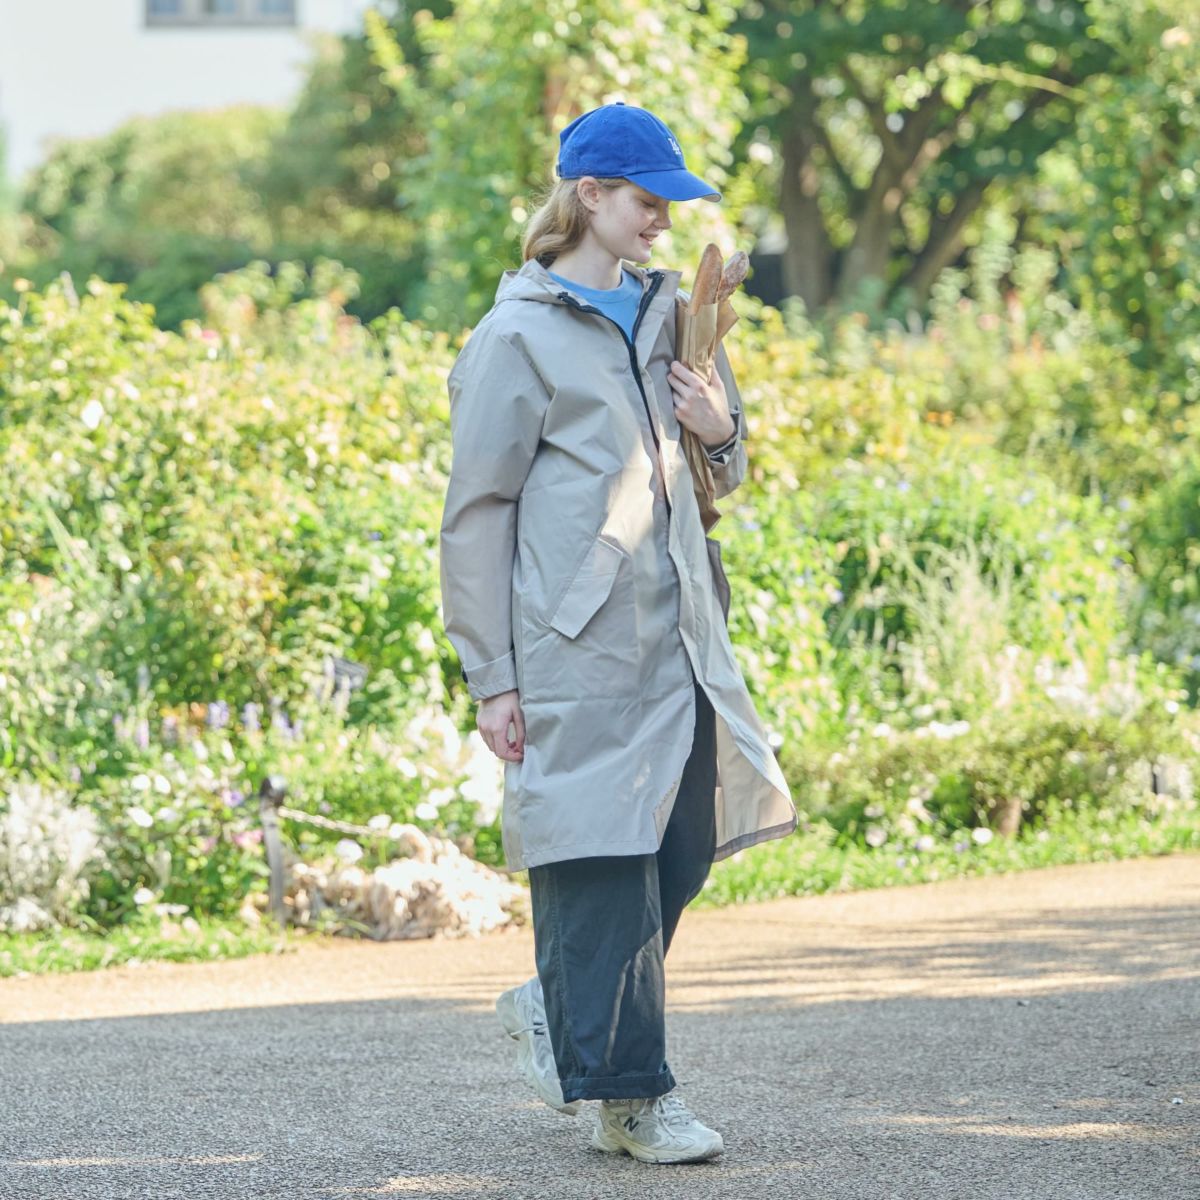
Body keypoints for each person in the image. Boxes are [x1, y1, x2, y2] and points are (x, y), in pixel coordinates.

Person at [439, 102, 797, 1165]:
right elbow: (477, 514)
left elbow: (719, 476)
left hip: (681, 634)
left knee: (681, 847)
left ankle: (561, 1010)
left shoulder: (674, 318)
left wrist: (721, 431)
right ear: (587, 194)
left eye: (669, 204)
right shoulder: (515, 339)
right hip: (577, 651)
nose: (662, 220)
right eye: (646, 200)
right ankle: (636, 1099)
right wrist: (493, 676)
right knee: (602, 866)